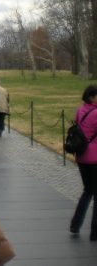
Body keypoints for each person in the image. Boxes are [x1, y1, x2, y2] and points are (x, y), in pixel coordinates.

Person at [70, 85, 97, 240]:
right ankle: (95, 232)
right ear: (92, 97)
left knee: (88, 190)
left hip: (82, 156)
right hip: (94, 157)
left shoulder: (80, 110)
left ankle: (76, 224)